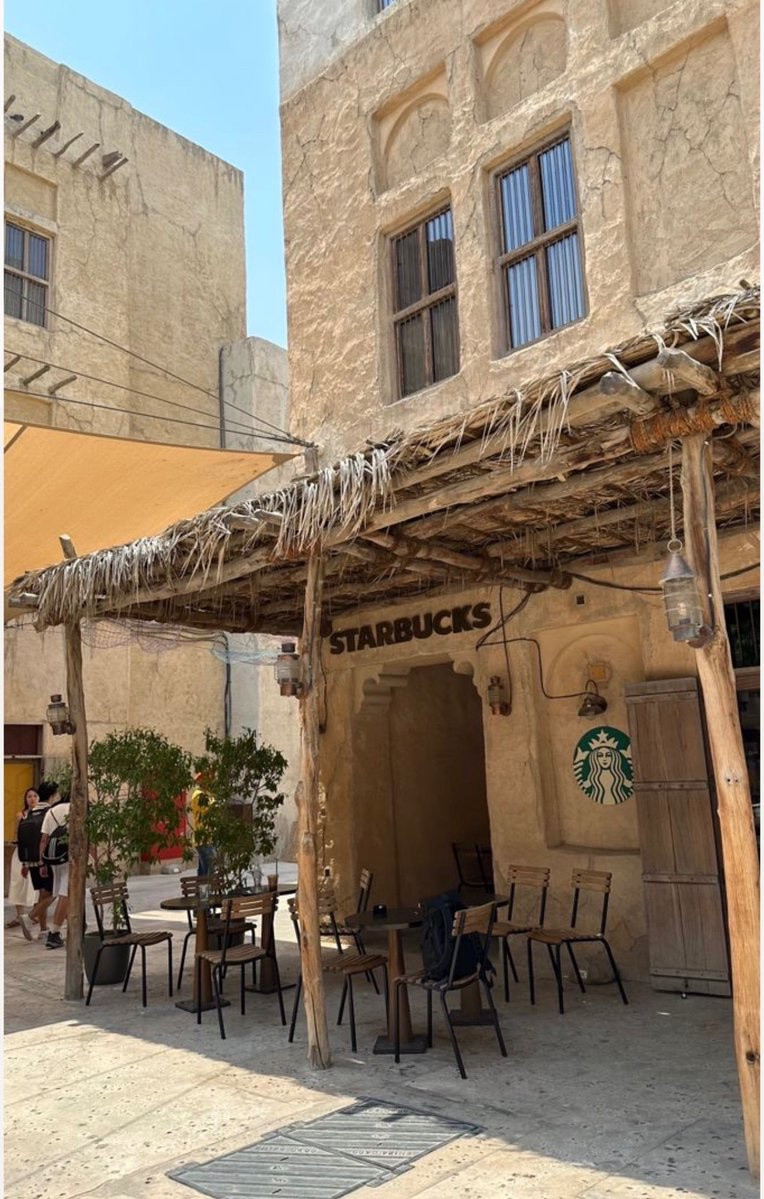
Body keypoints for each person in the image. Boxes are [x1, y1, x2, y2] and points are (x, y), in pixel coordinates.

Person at [18, 780, 57, 940]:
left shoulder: (30, 813)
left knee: (43, 894)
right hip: (45, 861)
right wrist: (43, 862)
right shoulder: (50, 812)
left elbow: (23, 840)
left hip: (32, 861)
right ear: (52, 795)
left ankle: (43, 929)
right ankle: (30, 917)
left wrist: (25, 864)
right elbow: (45, 839)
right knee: (54, 892)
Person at [39, 792, 70, 950]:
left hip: (54, 858)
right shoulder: (77, 809)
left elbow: (44, 839)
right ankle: (54, 933)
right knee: (66, 894)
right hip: (69, 858)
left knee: (60, 893)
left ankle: (76, 925)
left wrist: (42, 862)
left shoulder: (51, 811)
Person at [6, 788, 40, 927]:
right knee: (18, 882)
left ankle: (35, 914)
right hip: (21, 852)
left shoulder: (43, 814)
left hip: (36, 853)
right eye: (29, 796)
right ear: (26, 799)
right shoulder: (21, 815)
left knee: (35, 884)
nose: (32, 799)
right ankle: (19, 916)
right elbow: (17, 834)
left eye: (35, 796)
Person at [190, 773, 215, 877]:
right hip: (203, 838)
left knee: (203, 870)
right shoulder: (198, 795)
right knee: (209, 869)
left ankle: (201, 886)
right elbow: (209, 809)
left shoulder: (207, 794)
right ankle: (206, 886)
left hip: (209, 837)